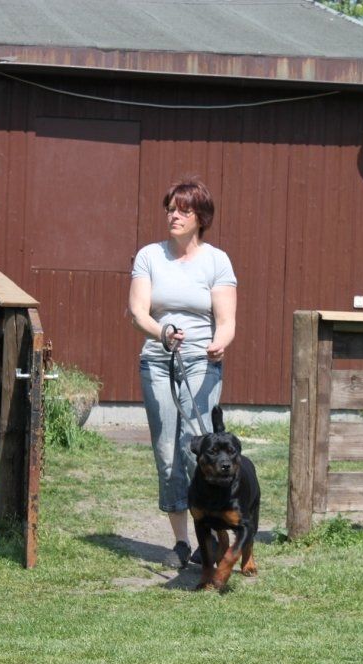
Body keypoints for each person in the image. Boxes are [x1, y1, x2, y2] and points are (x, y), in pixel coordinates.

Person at [128, 177, 237, 568]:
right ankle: (180, 542)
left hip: (200, 361)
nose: (173, 216)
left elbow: (226, 320)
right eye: (170, 209)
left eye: (183, 210)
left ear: (200, 217)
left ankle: (214, 531)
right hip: (158, 359)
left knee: (198, 448)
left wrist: (220, 342)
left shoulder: (217, 261)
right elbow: (138, 311)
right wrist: (162, 332)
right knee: (167, 453)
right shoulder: (149, 256)